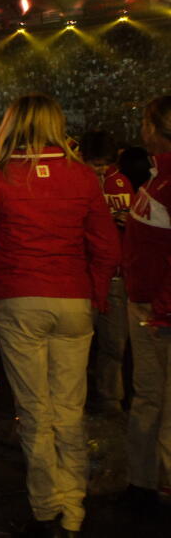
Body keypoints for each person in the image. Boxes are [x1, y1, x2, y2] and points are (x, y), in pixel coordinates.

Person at [0, 95, 120, 537]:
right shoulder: (82, 176)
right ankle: (74, 508)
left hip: (20, 298)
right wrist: (92, 293)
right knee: (70, 409)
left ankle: (46, 508)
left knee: (34, 411)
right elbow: (106, 247)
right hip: (73, 300)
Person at [122, 95, 171, 510]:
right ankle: (143, 482)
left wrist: (162, 305)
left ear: (157, 128)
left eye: (144, 121)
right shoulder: (157, 176)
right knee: (148, 396)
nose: (141, 128)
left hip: (161, 313)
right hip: (149, 307)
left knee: (163, 403)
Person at [80, 130, 133, 415]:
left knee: (115, 343)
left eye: (104, 164)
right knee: (79, 343)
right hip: (83, 274)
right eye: (95, 163)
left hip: (114, 275)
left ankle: (110, 397)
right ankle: (77, 397)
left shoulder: (120, 183)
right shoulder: (76, 181)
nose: (100, 169)